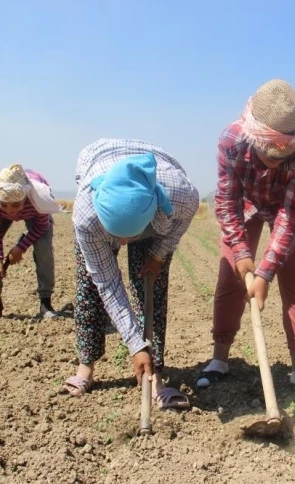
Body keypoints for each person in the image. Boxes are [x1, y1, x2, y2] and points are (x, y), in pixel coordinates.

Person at [197, 79, 295, 398]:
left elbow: (292, 215)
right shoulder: (231, 140)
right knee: (230, 280)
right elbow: (227, 202)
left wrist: (266, 272)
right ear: (254, 137)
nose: (276, 160)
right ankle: (219, 360)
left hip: (288, 208)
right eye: (269, 154)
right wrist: (242, 255)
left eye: (283, 157)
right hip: (245, 205)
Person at [64, 139, 199, 410]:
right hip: (99, 164)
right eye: (116, 236)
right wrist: (134, 344)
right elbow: (108, 283)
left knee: (152, 285)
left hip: (156, 191)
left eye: (130, 236)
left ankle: (154, 374)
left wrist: (159, 253)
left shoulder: (180, 196)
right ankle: (85, 366)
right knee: (90, 286)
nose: (122, 242)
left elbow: (181, 222)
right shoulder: (85, 215)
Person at [0, 164, 62, 321]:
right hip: (1, 213)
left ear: (25, 197)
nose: (10, 210)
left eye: (16, 204)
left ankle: (46, 303)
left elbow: (42, 226)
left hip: (35, 212)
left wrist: (20, 248)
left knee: (43, 248)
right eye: (5, 204)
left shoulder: (40, 198)